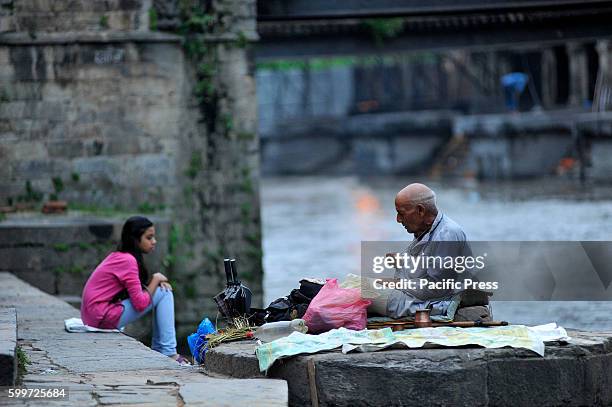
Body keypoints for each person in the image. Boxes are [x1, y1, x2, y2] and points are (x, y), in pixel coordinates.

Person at [81, 216, 190, 365]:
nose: (154, 241)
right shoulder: (128, 261)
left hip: (93, 316)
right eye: (149, 237)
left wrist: (154, 283)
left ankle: (163, 349)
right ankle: (168, 352)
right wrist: (156, 279)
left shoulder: (120, 257)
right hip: (101, 317)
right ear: (135, 239)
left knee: (160, 291)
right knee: (164, 293)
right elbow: (139, 303)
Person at [369, 183, 474, 318]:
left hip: (433, 304)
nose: (398, 220)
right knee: (355, 285)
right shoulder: (428, 230)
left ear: (420, 211)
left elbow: (436, 288)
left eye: (401, 214)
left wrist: (394, 283)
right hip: (417, 297)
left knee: (360, 291)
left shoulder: (447, 234)